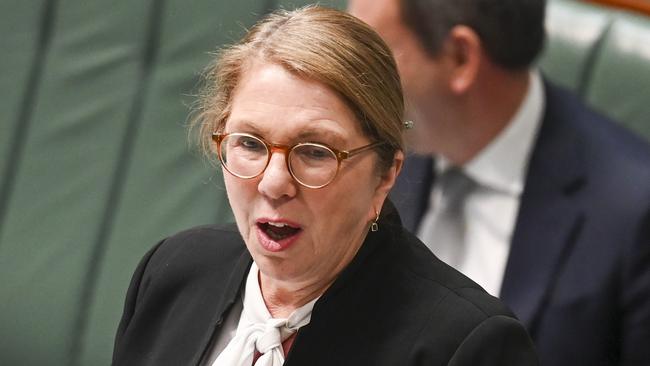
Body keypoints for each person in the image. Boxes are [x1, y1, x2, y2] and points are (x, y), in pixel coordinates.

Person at [111, 6, 537, 366]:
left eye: (315, 152)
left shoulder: (466, 347)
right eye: (249, 143)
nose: (274, 184)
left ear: (385, 174)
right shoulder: (171, 273)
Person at [348, 0, 650, 365]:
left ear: (460, 57)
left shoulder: (633, 213)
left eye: (375, 57)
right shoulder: (361, 156)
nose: (354, 83)